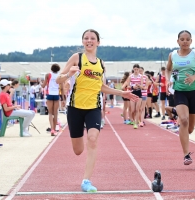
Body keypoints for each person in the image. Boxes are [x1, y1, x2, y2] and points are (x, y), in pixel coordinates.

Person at [56, 29, 139, 192]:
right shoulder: (76, 58)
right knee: (78, 150)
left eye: (92, 38)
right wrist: (68, 74)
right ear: (82, 42)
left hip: (93, 107)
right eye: (86, 38)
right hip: (75, 108)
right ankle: (76, 133)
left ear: (98, 42)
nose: (89, 41)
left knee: (93, 139)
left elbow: (100, 86)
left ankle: (86, 181)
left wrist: (122, 93)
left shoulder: (101, 64)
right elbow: (59, 78)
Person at [166, 30, 195, 165]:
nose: (185, 41)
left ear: (191, 41)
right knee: (183, 121)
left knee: (190, 128)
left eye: (187, 39)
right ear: (177, 41)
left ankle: (174, 113)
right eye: (182, 39)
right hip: (179, 91)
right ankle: (186, 155)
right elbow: (168, 69)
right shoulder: (172, 55)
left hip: (194, 92)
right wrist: (168, 80)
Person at [41, 64, 62, 136]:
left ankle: (52, 129)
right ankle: (54, 129)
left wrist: (40, 82)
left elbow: (43, 85)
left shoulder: (48, 75)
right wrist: (63, 98)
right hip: (56, 94)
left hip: (49, 94)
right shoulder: (60, 76)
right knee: (55, 113)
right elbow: (61, 87)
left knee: (50, 113)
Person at [121, 64, 143, 129]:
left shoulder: (141, 76)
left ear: (139, 69)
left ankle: (136, 123)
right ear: (133, 69)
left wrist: (138, 86)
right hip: (132, 93)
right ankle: (132, 120)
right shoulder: (130, 76)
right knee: (132, 109)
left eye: (137, 69)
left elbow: (142, 86)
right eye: (135, 69)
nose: (136, 71)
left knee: (137, 109)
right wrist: (133, 86)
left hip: (139, 93)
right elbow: (127, 86)